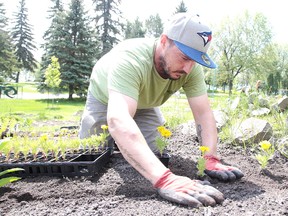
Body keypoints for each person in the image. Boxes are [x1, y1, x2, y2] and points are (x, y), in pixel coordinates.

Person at [79, 13, 244, 208]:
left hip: (145, 104)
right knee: (91, 154)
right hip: (106, 97)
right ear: (164, 41)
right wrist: (165, 179)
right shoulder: (130, 59)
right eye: (184, 57)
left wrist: (210, 158)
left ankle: (126, 139)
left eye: (194, 61)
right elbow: (118, 118)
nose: (188, 69)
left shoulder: (190, 69)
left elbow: (203, 113)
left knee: (154, 152)